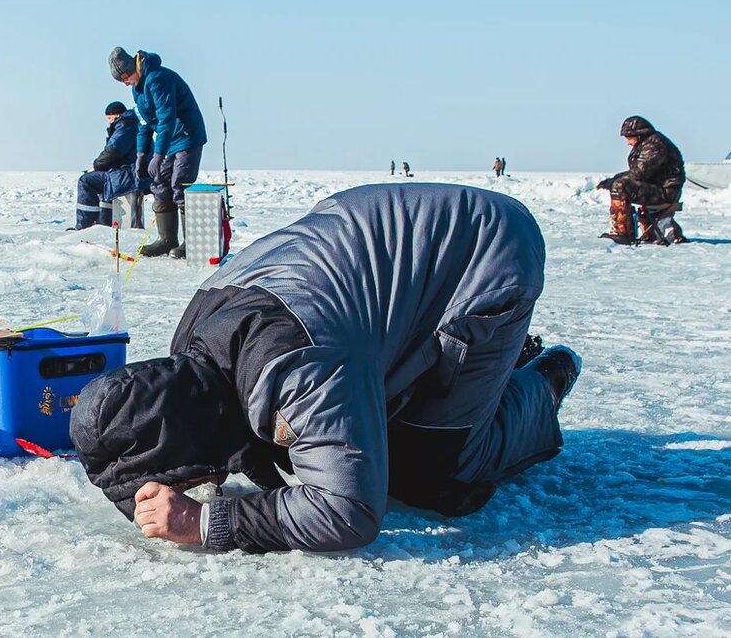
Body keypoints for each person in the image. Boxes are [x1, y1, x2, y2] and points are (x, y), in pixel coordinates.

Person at [71, 183, 582, 553]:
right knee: (354, 431)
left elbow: (350, 511)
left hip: (484, 257)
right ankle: (494, 366)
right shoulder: (193, 350)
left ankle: (543, 380)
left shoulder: (296, 366)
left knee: (430, 473)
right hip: (387, 239)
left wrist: (206, 522)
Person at [108, 47, 207, 258]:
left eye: (125, 77)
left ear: (131, 67)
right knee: (159, 181)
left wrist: (159, 154)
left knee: (180, 184)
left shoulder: (158, 79)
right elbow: (144, 123)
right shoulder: (138, 89)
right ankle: (166, 239)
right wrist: (142, 155)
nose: (126, 83)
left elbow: (167, 118)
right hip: (168, 140)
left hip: (187, 136)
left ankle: (191, 243)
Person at [596, 115, 686, 245]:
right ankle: (628, 229)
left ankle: (623, 232)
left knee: (620, 186)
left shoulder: (654, 145)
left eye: (629, 138)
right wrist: (613, 179)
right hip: (660, 188)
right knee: (619, 183)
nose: (628, 143)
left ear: (638, 135)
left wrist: (613, 182)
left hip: (666, 191)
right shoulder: (649, 143)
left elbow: (640, 172)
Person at [71, 101, 141, 230]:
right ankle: (104, 223)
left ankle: (85, 226)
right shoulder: (132, 125)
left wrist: (96, 166)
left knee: (86, 181)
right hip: (129, 172)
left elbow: (113, 151)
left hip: (127, 174)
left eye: (109, 118)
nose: (109, 122)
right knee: (104, 182)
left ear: (116, 115)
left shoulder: (125, 126)